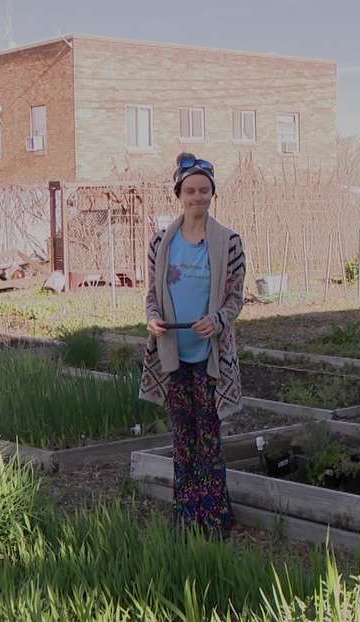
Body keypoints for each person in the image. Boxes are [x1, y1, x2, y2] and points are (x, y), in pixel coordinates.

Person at [140, 152, 247, 538]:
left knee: (210, 437)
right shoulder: (161, 243)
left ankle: (215, 519)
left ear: (212, 193)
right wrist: (152, 317)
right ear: (179, 194)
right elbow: (152, 295)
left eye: (204, 190)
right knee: (183, 439)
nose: (197, 197)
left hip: (210, 356)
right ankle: (186, 517)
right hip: (173, 355)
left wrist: (216, 320)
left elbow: (236, 298)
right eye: (190, 190)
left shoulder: (229, 242)